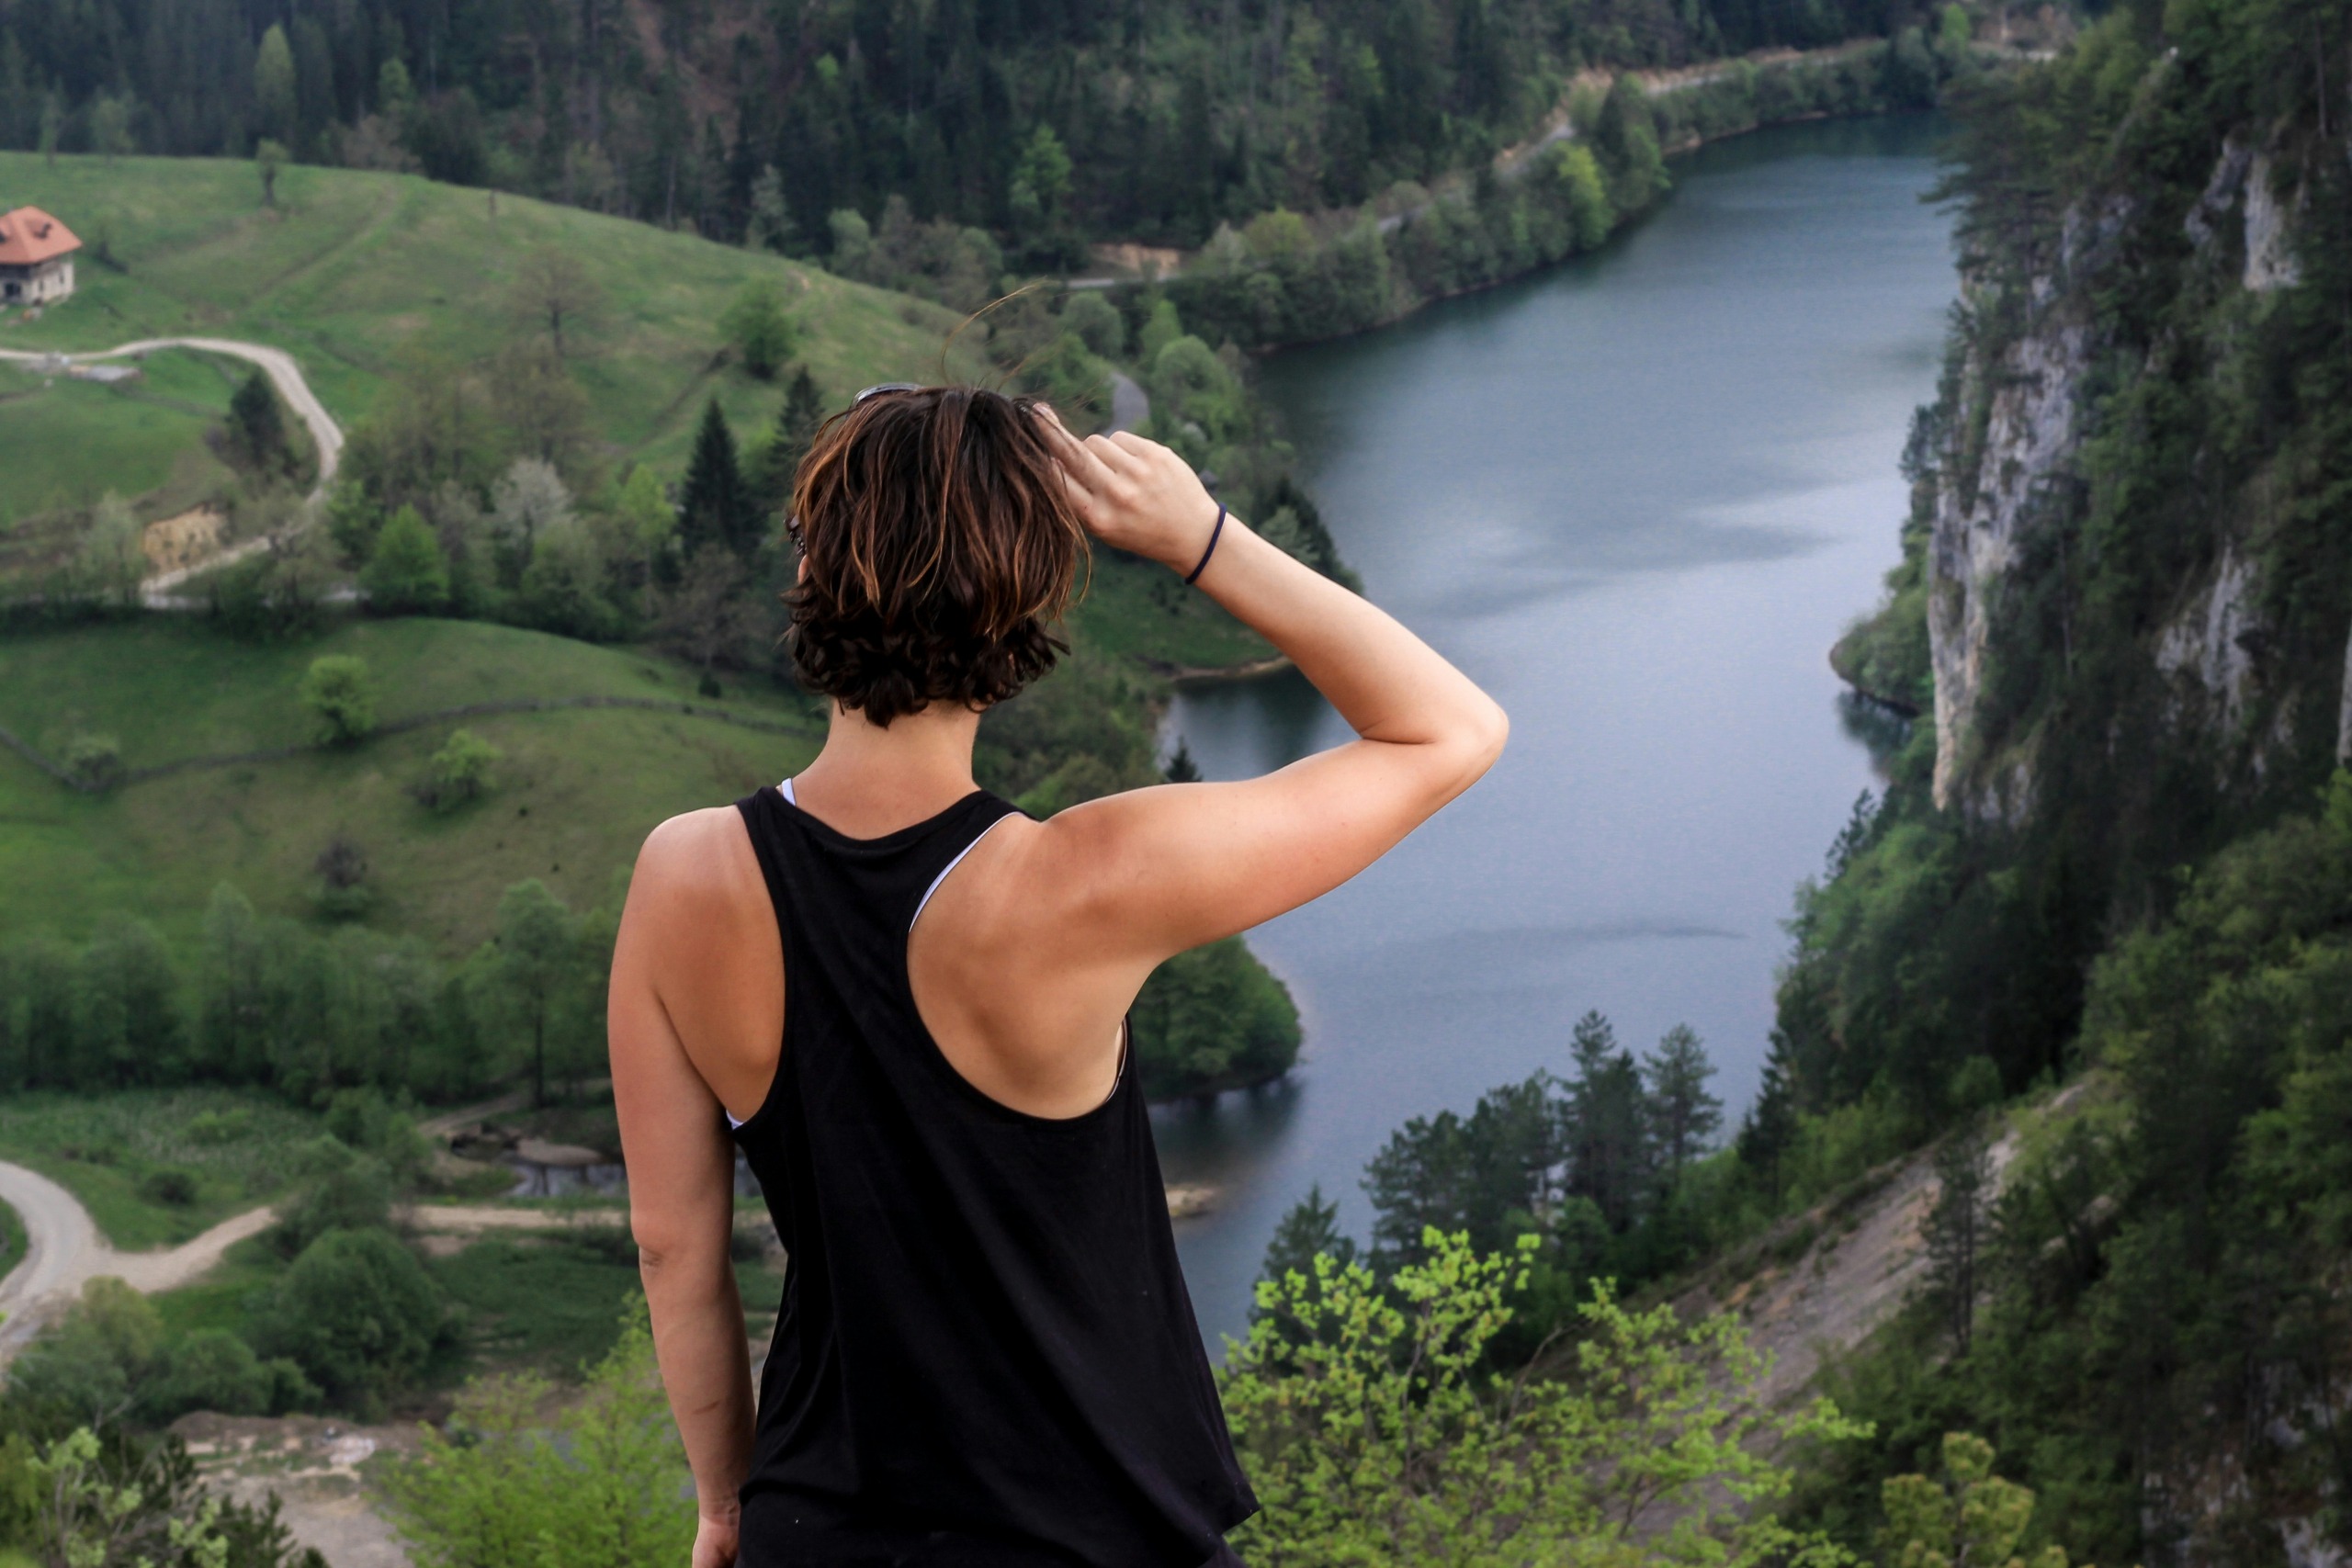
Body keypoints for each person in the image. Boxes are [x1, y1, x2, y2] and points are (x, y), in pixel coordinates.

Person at [609, 384, 1506, 1567]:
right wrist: (1202, 538)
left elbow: (675, 1250)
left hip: (819, 1533)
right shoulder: (1084, 884)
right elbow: (1448, 730)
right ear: (1026, 601)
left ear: (813, 570)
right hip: (1099, 1538)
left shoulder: (683, 878)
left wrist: (729, 1506)